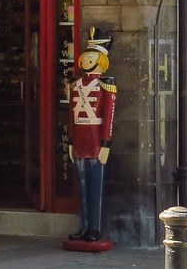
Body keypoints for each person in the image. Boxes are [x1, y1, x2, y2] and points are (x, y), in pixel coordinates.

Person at [66, 28, 117, 249]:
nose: (87, 58)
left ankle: (95, 228)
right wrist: (69, 140)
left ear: (101, 59)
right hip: (79, 140)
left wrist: (106, 142)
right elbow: (71, 115)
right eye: (86, 54)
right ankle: (84, 227)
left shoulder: (106, 85)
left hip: (96, 141)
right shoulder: (76, 84)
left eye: (92, 55)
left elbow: (108, 116)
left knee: (95, 187)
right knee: (83, 186)